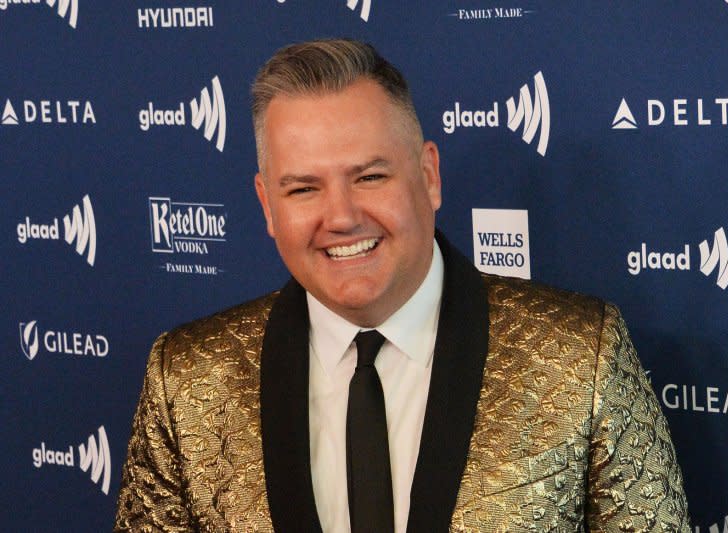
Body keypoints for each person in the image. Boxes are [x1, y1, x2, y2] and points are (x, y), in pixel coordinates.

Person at [115, 39, 690, 532]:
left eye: (369, 177)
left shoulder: (579, 357)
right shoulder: (187, 378)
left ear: (428, 175)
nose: (340, 217)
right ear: (267, 204)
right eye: (303, 189)